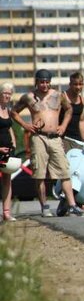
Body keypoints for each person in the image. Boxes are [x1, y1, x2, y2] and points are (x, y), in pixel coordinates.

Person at [10, 69, 84, 217]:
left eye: (47, 82)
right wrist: (26, 125)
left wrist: (63, 126)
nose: (44, 85)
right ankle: (44, 206)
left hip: (55, 138)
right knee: (39, 173)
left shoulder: (58, 95)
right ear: (37, 82)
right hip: (38, 137)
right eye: (41, 82)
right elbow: (13, 112)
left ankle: (72, 205)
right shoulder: (29, 97)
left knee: (64, 172)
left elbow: (69, 110)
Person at [0, 83, 17, 221]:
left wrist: (14, 143)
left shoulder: (8, 109)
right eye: (5, 93)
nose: (7, 95)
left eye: (9, 93)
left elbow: (9, 127)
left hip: (8, 150)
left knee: (7, 180)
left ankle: (6, 212)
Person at [59, 72, 84, 153]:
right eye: (75, 84)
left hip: (77, 139)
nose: (78, 87)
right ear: (70, 84)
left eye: (80, 84)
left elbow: (81, 120)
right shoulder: (62, 97)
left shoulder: (82, 100)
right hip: (64, 138)